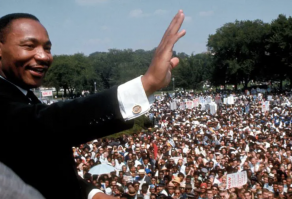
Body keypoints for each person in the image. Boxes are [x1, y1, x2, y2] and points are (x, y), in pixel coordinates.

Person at [0, 10, 186, 199]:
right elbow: (45, 124)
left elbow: (45, 171)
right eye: (29, 46)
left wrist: (94, 195)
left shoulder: (25, 96)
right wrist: (147, 84)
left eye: (47, 48)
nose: (43, 56)